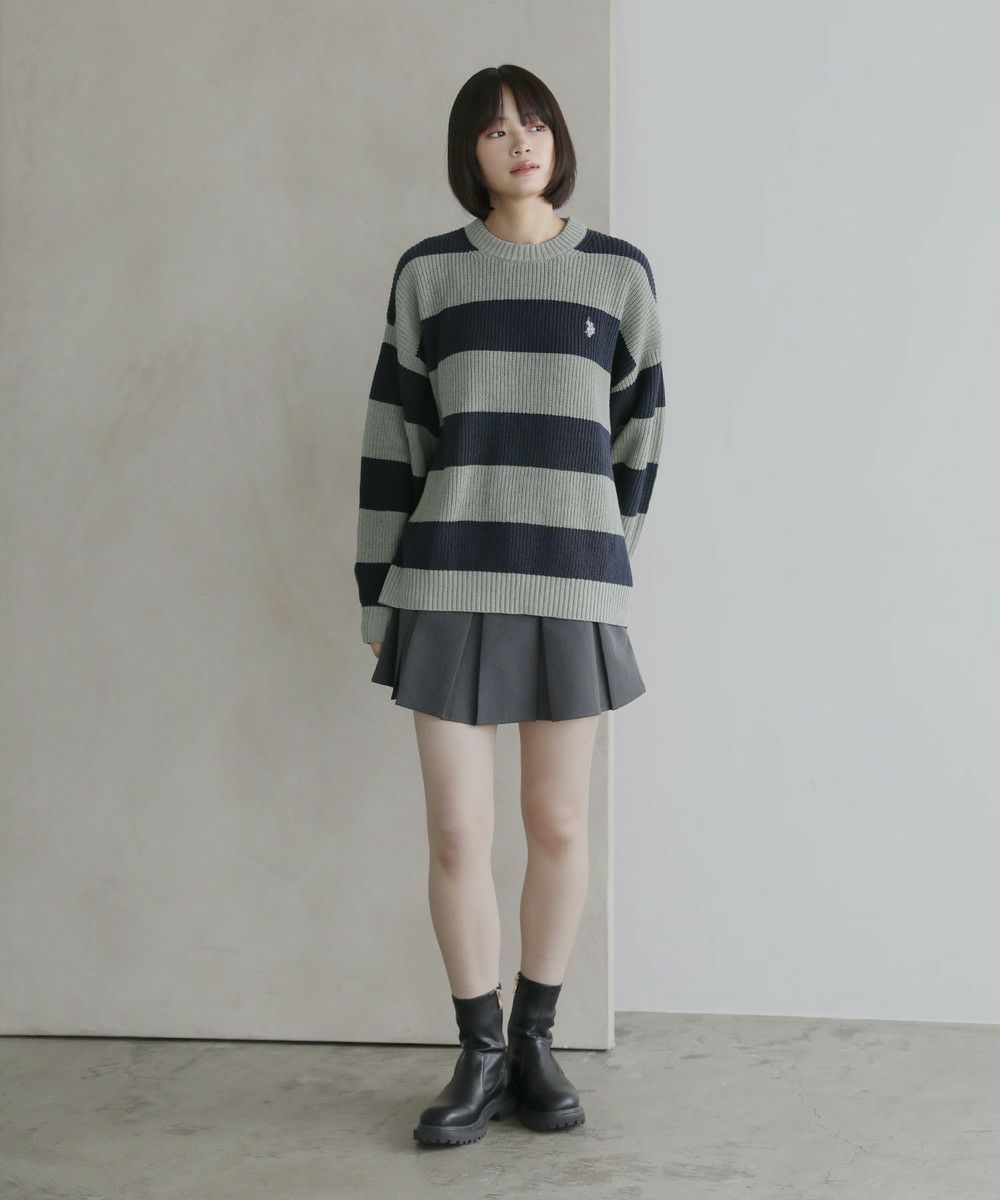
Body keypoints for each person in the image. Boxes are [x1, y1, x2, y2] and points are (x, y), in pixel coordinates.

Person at [353, 63, 666, 1146]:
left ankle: (536, 1042)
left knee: (558, 821)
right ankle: (479, 1054)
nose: (519, 141)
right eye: (494, 130)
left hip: (569, 581)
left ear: (558, 140)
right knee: (456, 831)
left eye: (533, 123)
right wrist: (377, 598)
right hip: (445, 579)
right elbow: (393, 439)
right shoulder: (429, 274)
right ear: (469, 154)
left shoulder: (618, 274)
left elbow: (640, 439)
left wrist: (602, 561)